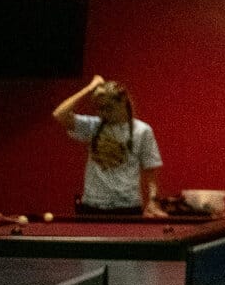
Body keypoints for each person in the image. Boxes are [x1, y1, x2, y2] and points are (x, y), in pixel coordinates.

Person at [50, 74, 162, 215]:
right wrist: (89, 88)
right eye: (99, 108)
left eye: (108, 108)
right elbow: (60, 114)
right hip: (92, 205)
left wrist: (153, 200)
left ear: (122, 102)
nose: (102, 113)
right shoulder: (93, 126)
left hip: (127, 207)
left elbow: (150, 170)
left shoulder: (142, 130)